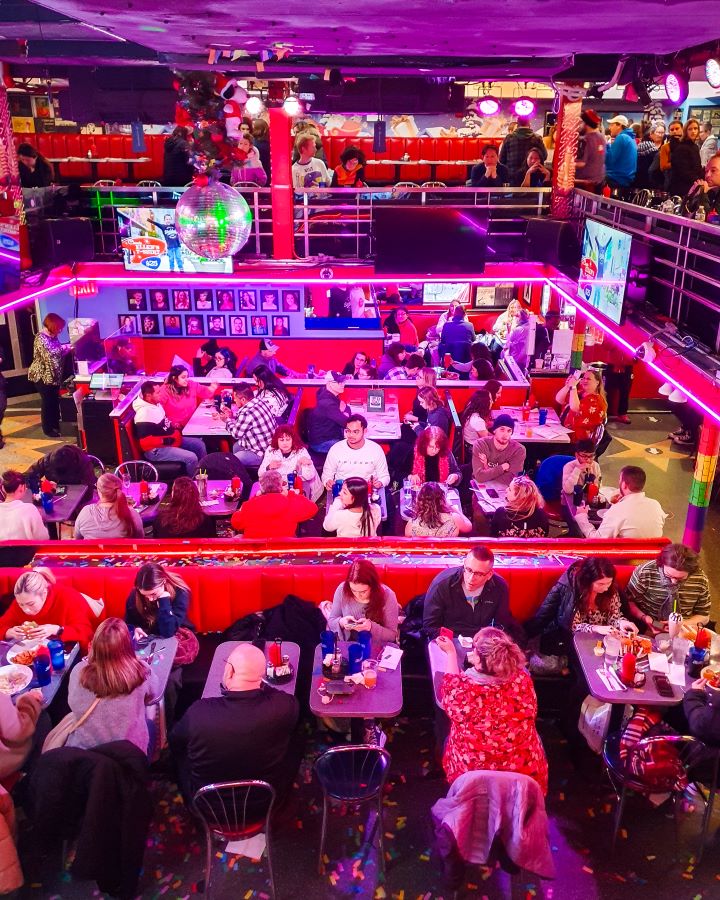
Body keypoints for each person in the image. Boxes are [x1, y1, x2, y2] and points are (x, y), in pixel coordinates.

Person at [170, 643, 300, 805]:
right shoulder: (284, 707)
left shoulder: (197, 713)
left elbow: (175, 742)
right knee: (296, 741)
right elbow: (285, 701)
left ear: (230, 671)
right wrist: (257, 680)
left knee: (180, 757)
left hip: (208, 808)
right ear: (262, 678)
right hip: (266, 804)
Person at [436, 627, 547, 793]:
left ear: (481, 660)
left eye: (475, 650)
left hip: (471, 778)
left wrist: (451, 653)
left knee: (446, 739)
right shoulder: (524, 681)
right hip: (523, 778)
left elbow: (450, 683)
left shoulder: (461, 690)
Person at [65, 618, 158, 755]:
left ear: (94, 645)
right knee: (150, 725)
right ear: (127, 645)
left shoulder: (78, 671)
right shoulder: (142, 671)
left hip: (85, 754)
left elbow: (72, 703)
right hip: (129, 757)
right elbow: (153, 695)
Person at [422, 546, 521, 640]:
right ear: (464, 564)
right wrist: (452, 641)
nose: (471, 578)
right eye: (469, 570)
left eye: (479, 574)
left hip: (483, 642)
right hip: (449, 640)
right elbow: (430, 627)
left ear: (489, 574)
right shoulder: (442, 584)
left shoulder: (500, 587)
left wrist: (486, 638)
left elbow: (501, 625)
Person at [524, 557, 621, 644]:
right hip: (572, 641)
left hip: (603, 641)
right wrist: (595, 628)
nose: (606, 588)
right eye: (601, 584)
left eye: (609, 583)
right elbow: (570, 626)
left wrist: (621, 622)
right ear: (587, 581)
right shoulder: (572, 590)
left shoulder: (611, 591)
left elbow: (614, 617)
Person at [625, 543, 710, 635]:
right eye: (668, 575)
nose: (673, 582)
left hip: (685, 628)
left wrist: (680, 624)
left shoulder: (700, 579)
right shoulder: (646, 571)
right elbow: (629, 602)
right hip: (649, 625)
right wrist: (644, 618)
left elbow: (704, 615)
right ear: (661, 564)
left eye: (680, 578)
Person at [0, 568, 94, 651]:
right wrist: (8, 633)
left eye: (31, 604)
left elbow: (86, 633)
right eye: (21, 604)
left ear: (44, 593)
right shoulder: (20, 602)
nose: (25, 610)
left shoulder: (67, 598)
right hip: (29, 655)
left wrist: (57, 630)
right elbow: (3, 624)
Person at [574, 465, 666, 539]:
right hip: (651, 558)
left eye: (620, 480)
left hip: (624, 558)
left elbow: (597, 539)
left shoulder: (617, 511)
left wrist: (581, 516)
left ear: (624, 485)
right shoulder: (656, 505)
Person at [132, 381, 202, 477]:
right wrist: (168, 440)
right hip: (156, 451)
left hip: (171, 441)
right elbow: (145, 443)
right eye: (158, 393)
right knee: (191, 458)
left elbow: (163, 424)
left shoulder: (155, 404)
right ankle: (192, 486)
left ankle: (204, 477)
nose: (161, 395)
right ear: (148, 396)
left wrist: (175, 427)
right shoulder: (144, 414)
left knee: (199, 445)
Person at [327, 559, 399, 645]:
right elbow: (331, 621)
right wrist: (342, 622)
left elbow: (392, 635)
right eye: (353, 590)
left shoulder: (388, 595)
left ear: (373, 587)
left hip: (376, 647)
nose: (357, 595)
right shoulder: (342, 589)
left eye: (363, 592)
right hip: (348, 644)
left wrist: (371, 627)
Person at [231, 470, 317, 538]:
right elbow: (313, 508)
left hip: (256, 550)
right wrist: (291, 494)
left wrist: (255, 497)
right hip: (283, 548)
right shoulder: (292, 503)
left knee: (238, 537)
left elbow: (236, 523)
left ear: (261, 487)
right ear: (281, 486)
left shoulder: (248, 506)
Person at [124, 563, 193, 641]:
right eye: (145, 595)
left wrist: (164, 600)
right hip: (148, 637)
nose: (150, 599)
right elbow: (129, 622)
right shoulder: (136, 594)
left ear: (163, 582)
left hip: (177, 634)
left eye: (153, 594)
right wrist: (135, 629)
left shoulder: (180, 592)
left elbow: (168, 632)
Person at [322, 414, 390, 490]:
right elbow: (326, 475)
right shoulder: (336, 449)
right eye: (348, 431)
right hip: (344, 492)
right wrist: (328, 481)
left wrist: (380, 483)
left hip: (367, 491)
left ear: (365, 431)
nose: (350, 435)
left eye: (355, 432)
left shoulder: (375, 449)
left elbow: (385, 477)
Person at [27, 312, 68, 438]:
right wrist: (66, 347)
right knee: (47, 401)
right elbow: (50, 354)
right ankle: (48, 428)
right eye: (59, 327)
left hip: (53, 376)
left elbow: (58, 352)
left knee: (54, 400)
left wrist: (65, 349)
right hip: (42, 376)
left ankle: (55, 425)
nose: (60, 330)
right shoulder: (40, 337)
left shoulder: (53, 336)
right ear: (53, 325)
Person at [258, 425, 323, 501]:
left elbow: (309, 476)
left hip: (298, 485)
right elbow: (260, 474)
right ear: (277, 441)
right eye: (282, 440)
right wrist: (268, 467)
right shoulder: (271, 450)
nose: (285, 443)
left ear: (293, 440)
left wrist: (304, 466)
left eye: (288, 440)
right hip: (279, 488)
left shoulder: (301, 451)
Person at [73, 473, 144, 540]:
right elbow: (140, 539)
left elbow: (77, 538)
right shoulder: (132, 514)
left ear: (99, 491)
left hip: (94, 552)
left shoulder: (85, 512)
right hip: (122, 552)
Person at [220, 384, 276, 467]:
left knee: (230, 461)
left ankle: (242, 476)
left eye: (235, 398)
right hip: (268, 446)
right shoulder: (259, 402)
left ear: (243, 399)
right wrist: (232, 416)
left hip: (261, 453)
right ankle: (241, 473)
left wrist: (227, 421)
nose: (234, 400)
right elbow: (249, 422)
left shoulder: (246, 413)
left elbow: (236, 434)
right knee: (236, 446)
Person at [471, 414, 527, 487]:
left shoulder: (519, 450)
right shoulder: (480, 444)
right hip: (481, 486)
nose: (505, 435)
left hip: (506, 489)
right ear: (494, 430)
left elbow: (512, 479)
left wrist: (487, 469)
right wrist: (502, 468)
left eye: (509, 431)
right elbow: (479, 477)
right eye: (502, 430)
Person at [555, 368, 607, 444]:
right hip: (563, 433)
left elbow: (575, 408)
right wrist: (567, 386)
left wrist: (573, 387)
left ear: (597, 382)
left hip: (577, 442)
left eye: (588, 379)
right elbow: (559, 399)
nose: (585, 381)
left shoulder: (597, 401)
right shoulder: (580, 393)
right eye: (583, 378)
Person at [158, 365, 217, 431]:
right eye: (183, 377)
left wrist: (212, 388)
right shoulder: (164, 390)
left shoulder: (191, 385)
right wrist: (172, 425)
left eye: (187, 377)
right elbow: (158, 411)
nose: (186, 380)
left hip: (191, 424)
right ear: (174, 378)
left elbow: (205, 392)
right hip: (174, 429)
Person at [25, 444, 97, 497]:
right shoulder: (48, 459)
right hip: (53, 496)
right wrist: (45, 486)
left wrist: (63, 492)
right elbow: (27, 476)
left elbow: (88, 494)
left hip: (74, 497)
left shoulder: (85, 465)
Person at [405, 482, 472, 537]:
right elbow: (469, 526)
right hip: (448, 553)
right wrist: (453, 508)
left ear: (420, 501)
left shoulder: (411, 525)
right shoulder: (454, 519)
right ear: (442, 500)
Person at [307, 371, 351, 453]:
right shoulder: (328, 403)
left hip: (327, 437)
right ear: (329, 384)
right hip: (322, 443)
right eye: (339, 382)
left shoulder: (330, 395)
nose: (343, 385)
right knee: (353, 445)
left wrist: (344, 412)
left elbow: (346, 407)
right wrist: (345, 413)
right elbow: (346, 423)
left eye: (343, 382)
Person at [0, 470, 49, 541]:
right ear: (22, 488)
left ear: (3, 489)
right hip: (27, 551)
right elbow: (43, 538)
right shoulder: (30, 509)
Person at [498, 117, 547, 186]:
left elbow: (501, 160)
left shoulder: (509, 138)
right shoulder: (537, 138)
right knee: (533, 196)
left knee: (514, 196)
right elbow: (544, 156)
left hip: (512, 176)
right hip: (532, 176)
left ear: (518, 124)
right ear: (529, 124)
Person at [668, 119, 703, 198]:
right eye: (690, 129)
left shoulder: (695, 146)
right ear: (685, 131)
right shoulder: (682, 147)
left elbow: (697, 166)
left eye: (695, 128)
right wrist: (697, 180)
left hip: (692, 185)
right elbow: (683, 171)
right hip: (681, 187)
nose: (693, 131)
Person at [575, 109, 606, 190]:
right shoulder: (602, 137)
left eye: (581, 122)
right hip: (599, 181)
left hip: (584, 183)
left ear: (585, 123)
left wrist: (565, 164)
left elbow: (581, 163)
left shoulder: (584, 140)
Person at [683, 152, 720, 221]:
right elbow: (685, 215)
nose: (707, 175)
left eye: (713, 170)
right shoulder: (711, 192)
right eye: (706, 171)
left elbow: (711, 221)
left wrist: (703, 194)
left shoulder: (706, 192)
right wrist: (690, 195)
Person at [605, 115, 638, 190]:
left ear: (619, 125)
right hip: (626, 179)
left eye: (612, 125)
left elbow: (609, 161)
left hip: (617, 179)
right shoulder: (631, 138)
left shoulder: (622, 137)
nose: (609, 128)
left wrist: (605, 145)